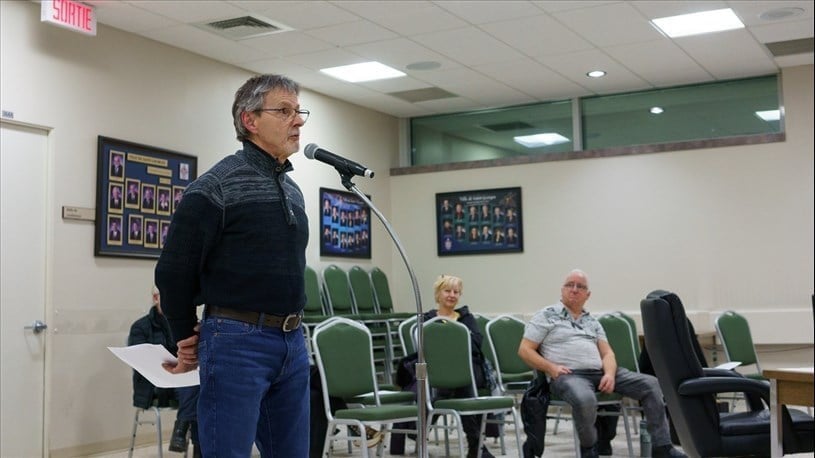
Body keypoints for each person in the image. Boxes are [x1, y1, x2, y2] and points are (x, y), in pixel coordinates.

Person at [155, 74, 311, 457]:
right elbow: (174, 270)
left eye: (298, 111)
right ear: (249, 120)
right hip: (236, 340)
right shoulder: (215, 186)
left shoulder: (292, 190)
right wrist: (183, 334)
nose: (298, 120)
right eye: (284, 111)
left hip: (292, 340)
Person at [518, 269, 688, 458]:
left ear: (587, 295)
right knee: (585, 399)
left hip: (599, 372)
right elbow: (525, 350)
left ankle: (662, 447)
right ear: (562, 289)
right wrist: (551, 367)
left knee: (651, 384)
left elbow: (607, 353)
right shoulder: (546, 315)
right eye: (569, 285)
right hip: (568, 375)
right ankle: (590, 449)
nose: (574, 289)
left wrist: (609, 374)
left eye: (580, 286)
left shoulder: (592, 321)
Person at [423, 274, 496, 458]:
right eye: (447, 291)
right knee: (461, 387)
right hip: (437, 371)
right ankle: (477, 446)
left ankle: (474, 445)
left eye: (456, 292)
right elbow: (427, 347)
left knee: (460, 382)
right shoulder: (428, 320)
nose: (452, 295)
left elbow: (476, 344)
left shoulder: (466, 318)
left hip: (469, 370)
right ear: (438, 294)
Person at [128, 286, 200, 457]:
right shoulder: (141, 327)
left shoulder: (186, 323)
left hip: (182, 384)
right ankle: (184, 431)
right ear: (156, 298)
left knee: (201, 392)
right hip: (154, 384)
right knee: (196, 391)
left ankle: (182, 427)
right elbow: (140, 361)